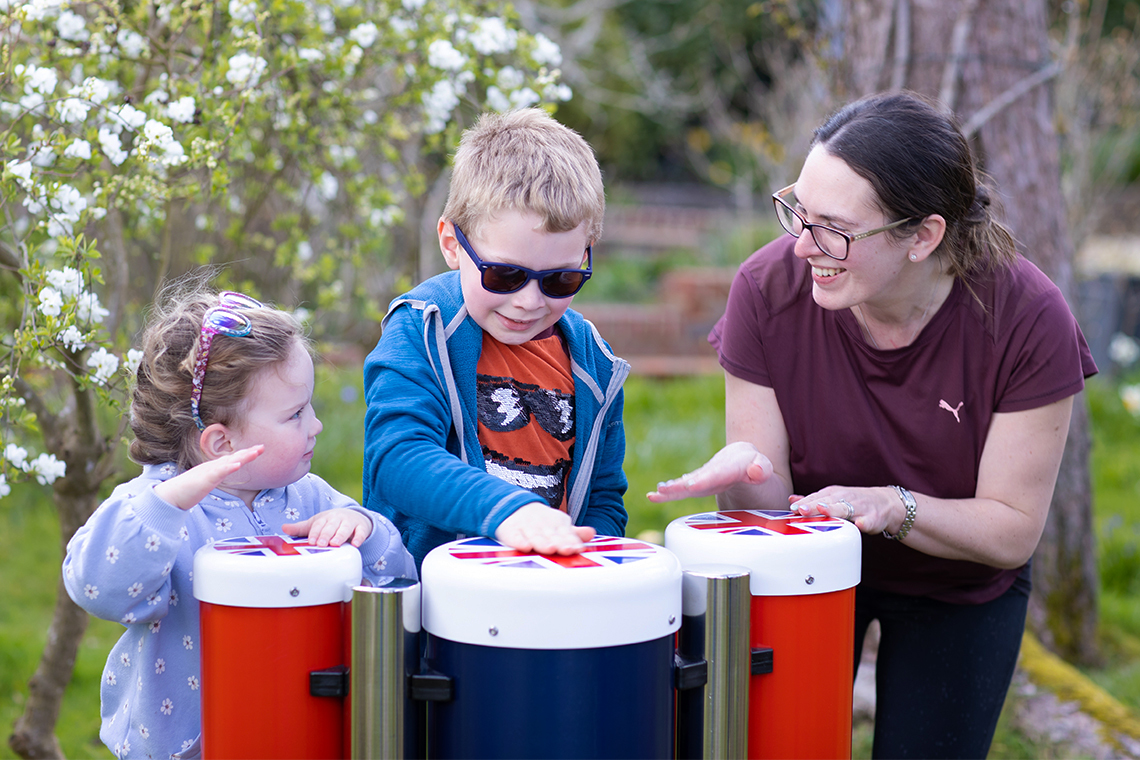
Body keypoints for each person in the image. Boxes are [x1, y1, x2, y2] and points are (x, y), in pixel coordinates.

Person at [649, 90, 1097, 759]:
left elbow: (1009, 531)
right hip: (805, 569)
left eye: (834, 228)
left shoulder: (1028, 317)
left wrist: (891, 507)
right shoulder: (766, 289)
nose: (803, 246)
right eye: (798, 211)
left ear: (923, 236)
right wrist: (745, 477)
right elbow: (769, 507)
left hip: (959, 583)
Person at [63, 281, 415, 760]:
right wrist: (164, 507)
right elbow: (97, 588)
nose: (316, 425)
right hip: (184, 746)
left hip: (298, 729)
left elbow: (395, 585)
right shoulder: (155, 507)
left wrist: (366, 534)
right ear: (222, 444)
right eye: (294, 414)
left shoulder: (309, 499)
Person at [362, 108, 629, 570]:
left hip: (547, 592)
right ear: (451, 244)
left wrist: (586, 557)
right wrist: (508, 510)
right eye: (505, 275)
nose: (529, 301)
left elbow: (604, 499)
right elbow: (397, 458)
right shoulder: (423, 329)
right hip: (432, 605)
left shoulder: (594, 362)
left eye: (561, 280)